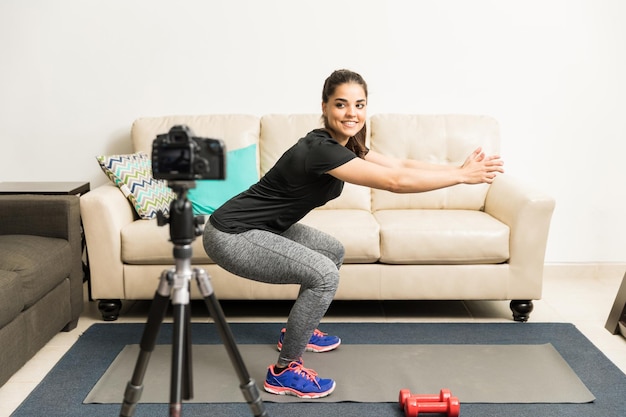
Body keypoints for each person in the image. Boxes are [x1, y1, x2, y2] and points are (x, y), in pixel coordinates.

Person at [202, 69, 504, 399]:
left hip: (259, 227)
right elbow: (395, 183)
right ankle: (284, 371)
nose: (352, 113)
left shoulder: (346, 143)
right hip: (231, 233)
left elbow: (398, 167)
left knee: (331, 251)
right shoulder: (322, 150)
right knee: (324, 276)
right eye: (341, 104)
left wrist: (457, 170)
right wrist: (461, 177)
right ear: (325, 106)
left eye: (359, 105)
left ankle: (298, 330)